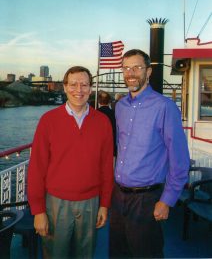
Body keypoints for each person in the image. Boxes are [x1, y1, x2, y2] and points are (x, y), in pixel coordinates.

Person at [109, 49, 190, 258]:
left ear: (149, 71)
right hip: (118, 196)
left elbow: (179, 159)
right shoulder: (120, 106)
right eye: (126, 68)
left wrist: (167, 200)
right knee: (119, 253)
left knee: (147, 253)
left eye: (137, 67)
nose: (131, 73)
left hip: (146, 198)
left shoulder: (165, 107)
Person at [27, 66, 114, 259]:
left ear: (91, 89)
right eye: (73, 84)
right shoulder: (48, 120)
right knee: (55, 254)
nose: (79, 90)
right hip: (56, 203)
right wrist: (38, 210)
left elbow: (107, 167)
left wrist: (104, 204)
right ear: (64, 87)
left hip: (91, 202)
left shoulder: (102, 122)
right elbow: (36, 168)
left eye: (84, 84)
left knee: (86, 255)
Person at [97, 90, 117, 156]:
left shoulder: (95, 114)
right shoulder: (114, 114)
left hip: (98, 147)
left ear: (99, 101)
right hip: (111, 146)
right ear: (109, 101)